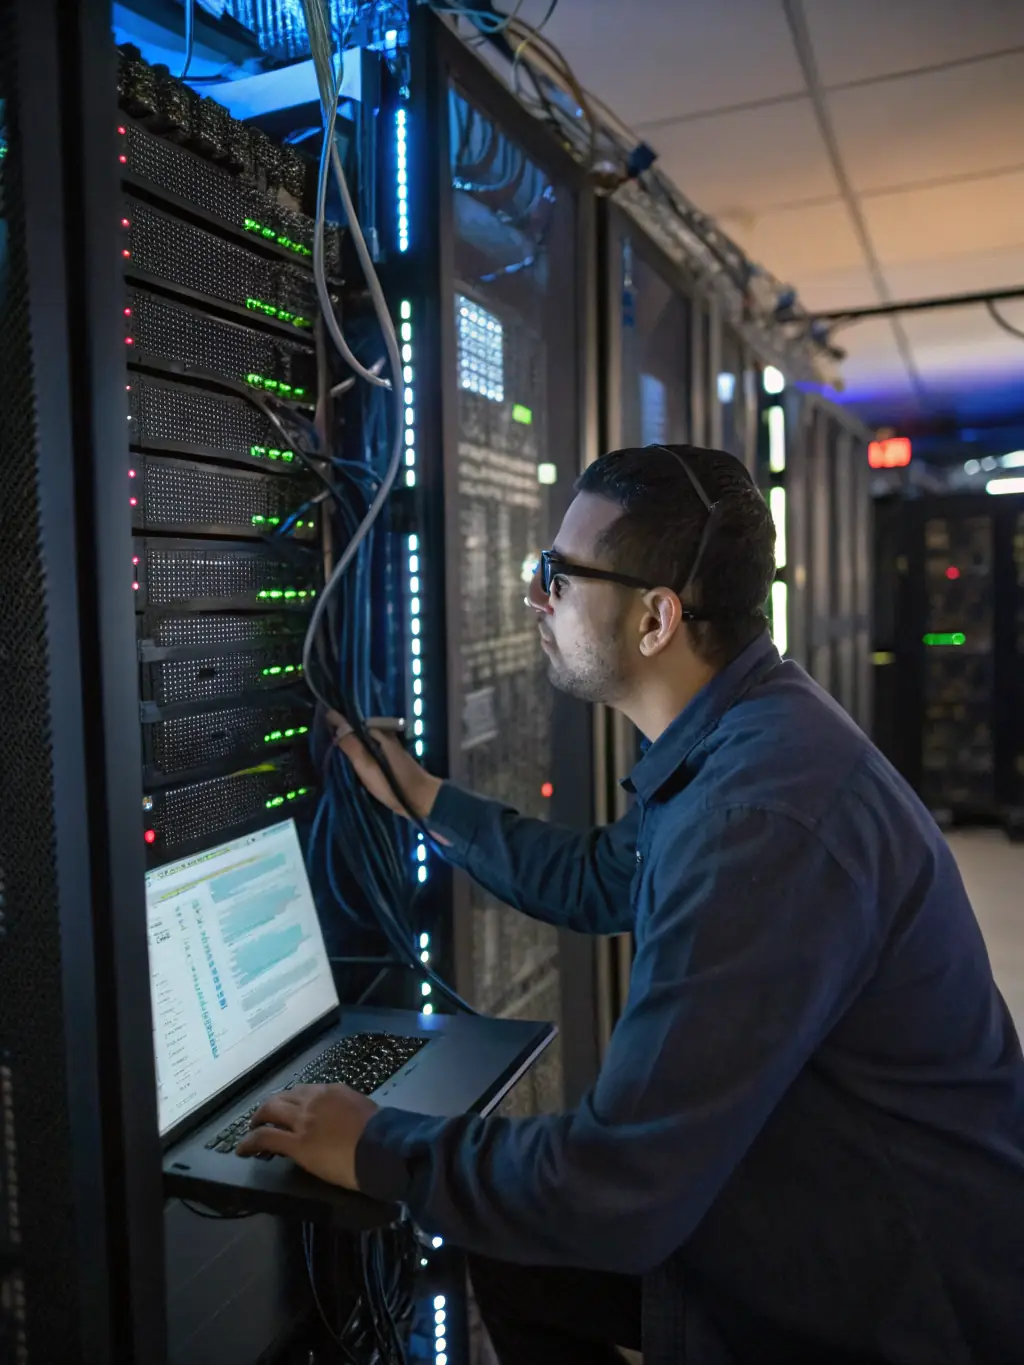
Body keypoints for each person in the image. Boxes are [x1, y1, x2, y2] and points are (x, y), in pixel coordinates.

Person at [239, 444, 1024, 1364]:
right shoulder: (747, 727)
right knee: (513, 1247)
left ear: (656, 618)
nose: (537, 597)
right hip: (810, 1197)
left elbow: (620, 1189)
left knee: (534, 1222)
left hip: (890, 1290)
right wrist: (421, 797)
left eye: (559, 576)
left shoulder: (759, 817)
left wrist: (374, 1146)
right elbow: (599, 875)